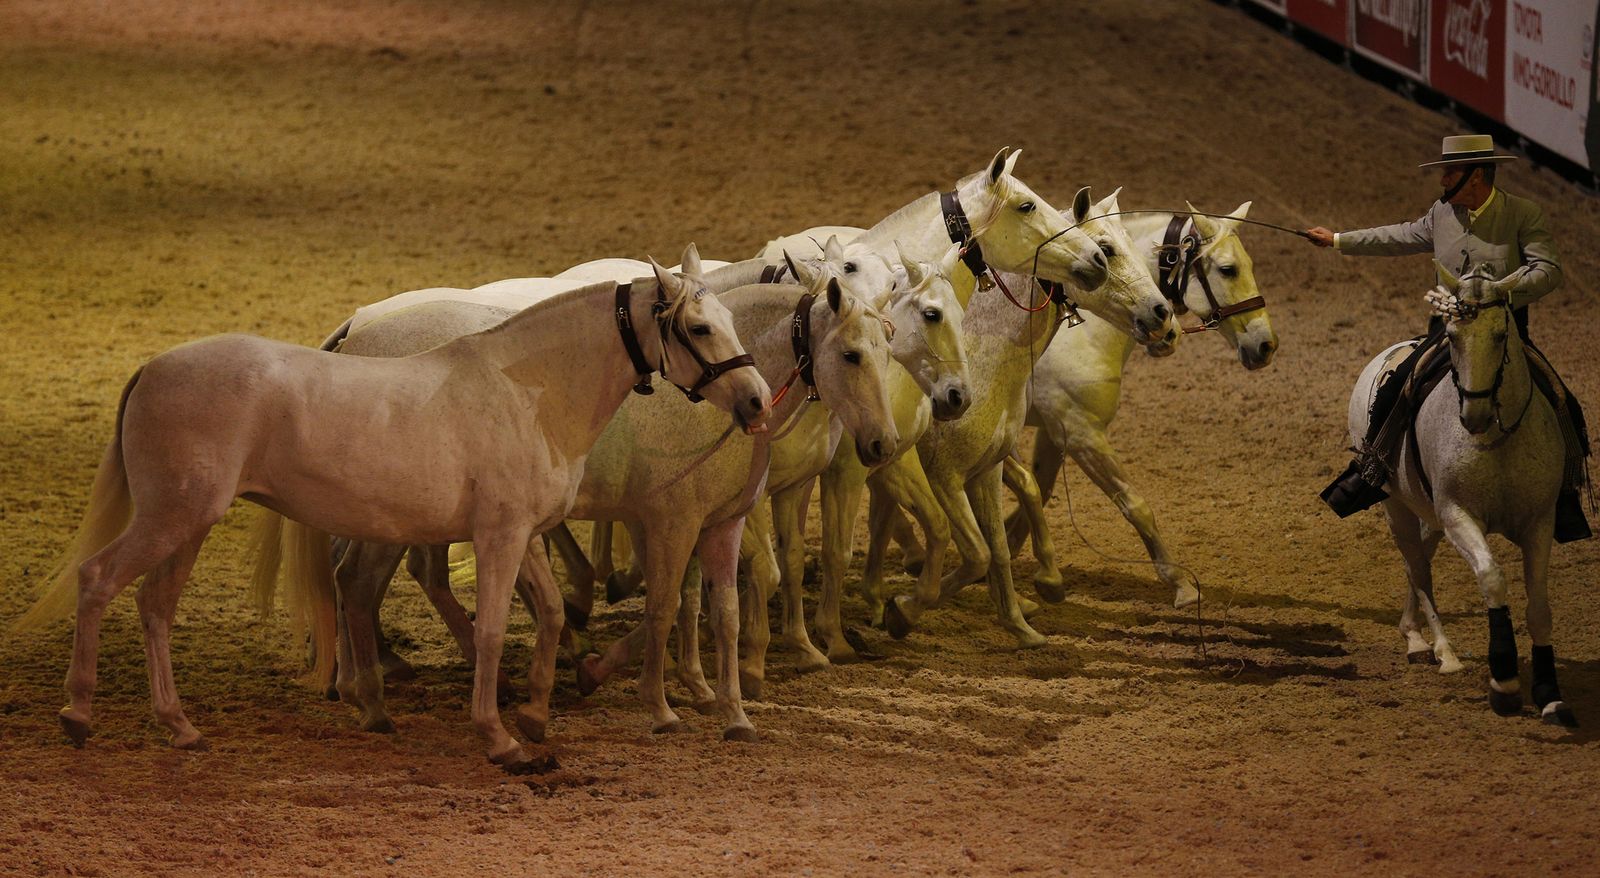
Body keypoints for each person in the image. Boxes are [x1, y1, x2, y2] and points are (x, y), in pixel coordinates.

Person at [1307, 134, 1590, 542]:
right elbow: (1400, 236)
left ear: (1476, 176)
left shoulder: (1521, 214)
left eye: (1450, 173)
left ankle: (1564, 494)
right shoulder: (1442, 213)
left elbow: (1548, 269)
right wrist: (1338, 239)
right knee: (1396, 388)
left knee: (1563, 400)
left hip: (1503, 331)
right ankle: (1372, 469)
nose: (1442, 181)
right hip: (1448, 331)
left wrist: (1503, 291)